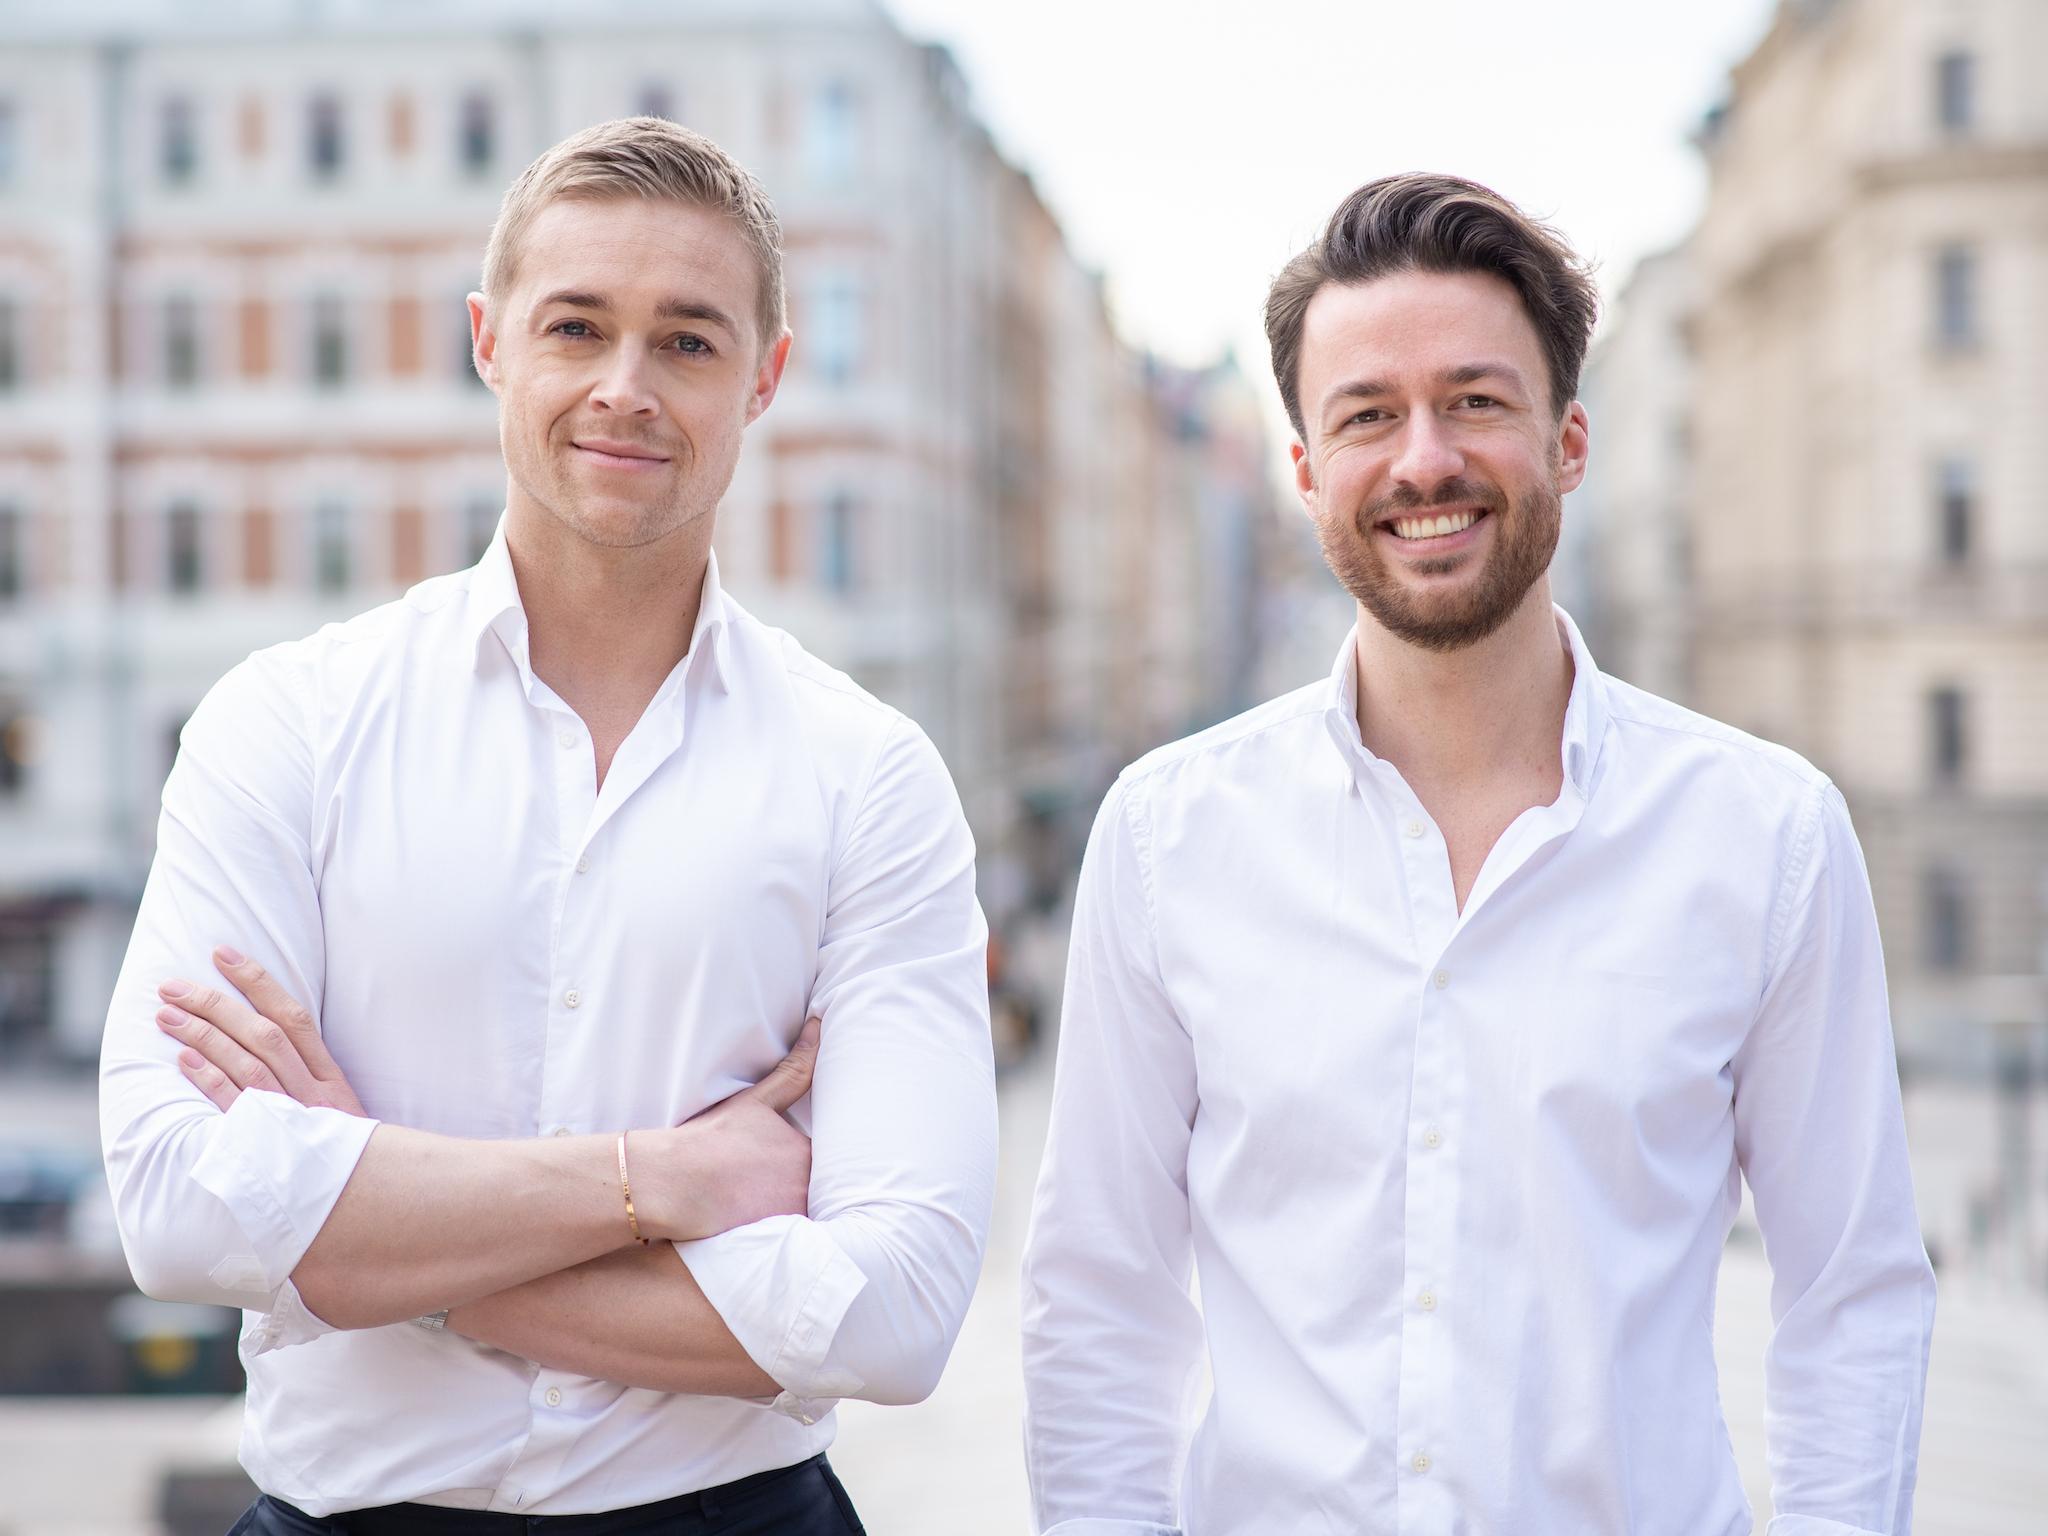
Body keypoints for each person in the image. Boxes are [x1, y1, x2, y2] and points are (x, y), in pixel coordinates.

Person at [98, 118, 997, 1534]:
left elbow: (895, 1313)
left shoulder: (865, 776)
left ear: (763, 377)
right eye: (576, 326)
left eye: (688, 342)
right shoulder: (289, 722)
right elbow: (175, 1203)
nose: (624, 389)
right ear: (490, 342)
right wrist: (667, 1181)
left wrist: (364, 1235)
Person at [1020, 174, 1934, 1535]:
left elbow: (1851, 1293)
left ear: (1568, 440)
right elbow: (1098, 1298)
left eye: (1476, 401)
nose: (1425, 460)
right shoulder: (1167, 839)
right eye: (1368, 415)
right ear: (1305, 471)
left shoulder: (1767, 837)